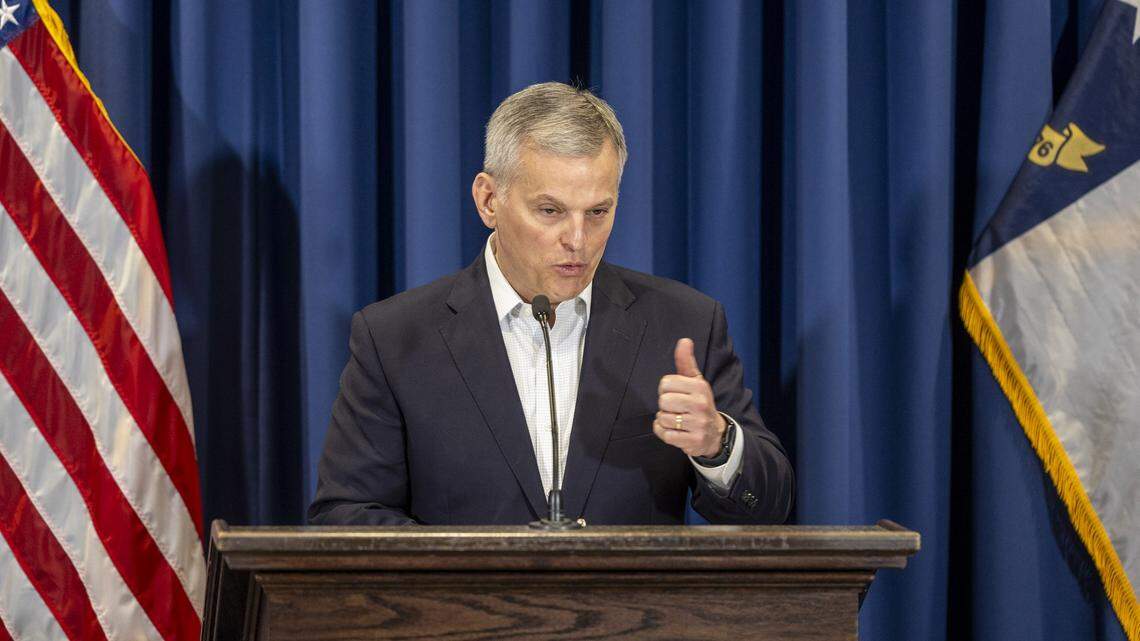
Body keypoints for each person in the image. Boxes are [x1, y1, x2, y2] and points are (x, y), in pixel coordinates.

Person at [308, 82, 793, 526]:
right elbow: (345, 514)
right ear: (488, 200)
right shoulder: (395, 338)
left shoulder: (682, 324)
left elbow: (769, 507)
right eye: (550, 210)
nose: (578, 240)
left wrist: (717, 444)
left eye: (598, 212)